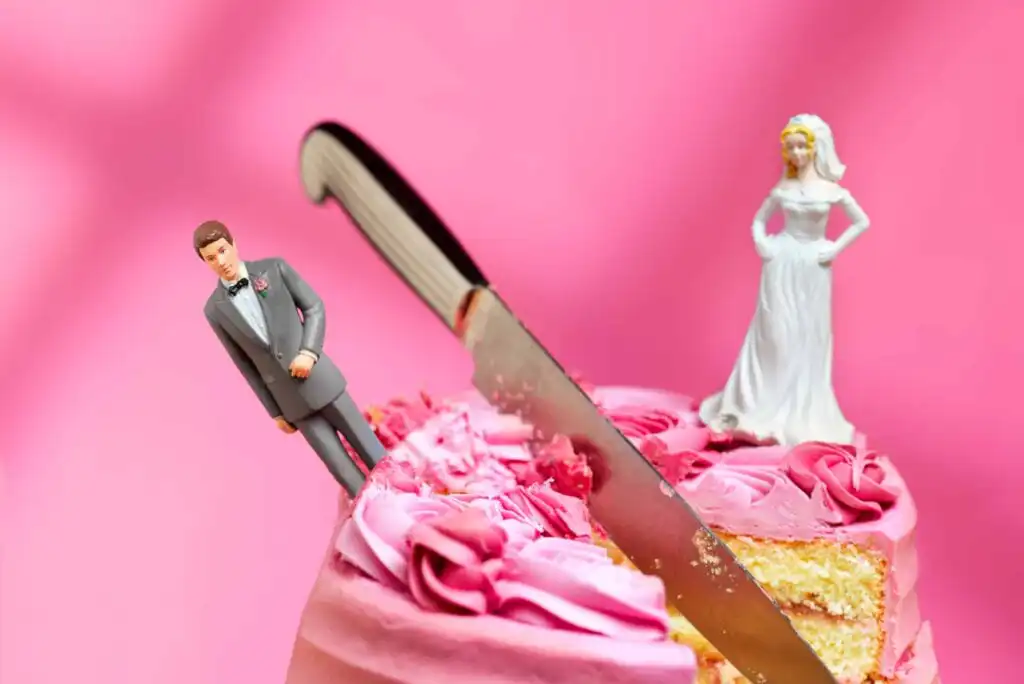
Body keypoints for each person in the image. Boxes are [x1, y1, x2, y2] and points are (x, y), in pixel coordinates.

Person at [699, 114, 869, 446]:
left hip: (813, 267)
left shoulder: (831, 191)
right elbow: (759, 221)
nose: (795, 153)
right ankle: (759, 402)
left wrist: (834, 247)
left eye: (801, 146)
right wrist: (763, 243)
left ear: (814, 148)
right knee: (774, 333)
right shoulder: (783, 189)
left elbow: (861, 222)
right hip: (782, 262)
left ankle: (796, 410)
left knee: (805, 335)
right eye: (790, 148)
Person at [195, 219, 382, 493]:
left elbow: (314, 307)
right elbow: (244, 364)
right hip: (289, 401)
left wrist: (309, 352)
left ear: (233, 244)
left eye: (222, 250)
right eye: (211, 258)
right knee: (340, 467)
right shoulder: (214, 309)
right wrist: (274, 411)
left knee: (369, 446)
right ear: (205, 262)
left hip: (321, 381)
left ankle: (408, 500)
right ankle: (375, 516)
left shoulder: (274, 268)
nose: (220, 261)